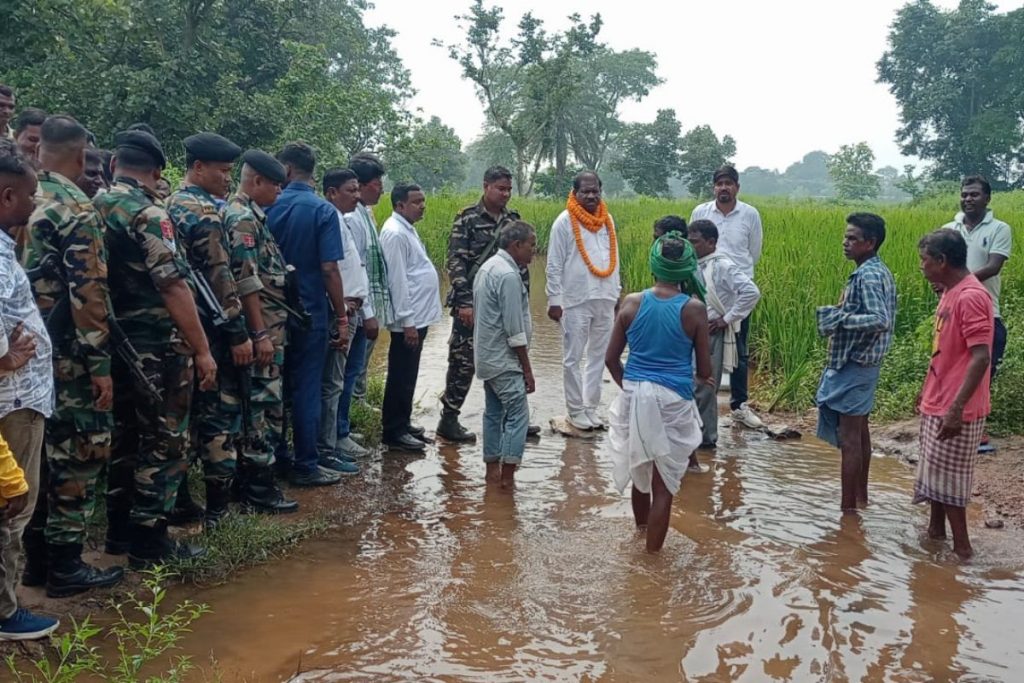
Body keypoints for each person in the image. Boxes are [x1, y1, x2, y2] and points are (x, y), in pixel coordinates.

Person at [94, 129, 215, 567]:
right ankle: (150, 539)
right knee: (164, 439)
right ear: (157, 172)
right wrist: (202, 349)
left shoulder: (96, 205)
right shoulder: (148, 214)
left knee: (126, 437)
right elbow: (173, 284)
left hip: (113, 344)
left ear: (113, 165)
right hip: (157, 348)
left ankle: (118, 534)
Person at [20, 115, 124, 597]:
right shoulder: (76, 210)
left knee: (38, 454)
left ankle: (36, 563)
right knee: (81, 450)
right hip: (70, 355)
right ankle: (66, 566)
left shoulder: (22, 197)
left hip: (25, 353)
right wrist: (101, 367)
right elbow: (89, 293)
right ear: (83, 157)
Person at [605, 232, 712, 553]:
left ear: (655, 265)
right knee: (663, 487)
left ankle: (640, 537)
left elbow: (611, 360)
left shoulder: (632, 303)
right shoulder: (694, 309)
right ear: (687, 269)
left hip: (634, 394)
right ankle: (653, 562)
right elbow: (706, 370)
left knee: (640, 471)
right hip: (673, 399)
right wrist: (698, 380)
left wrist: (633, 388)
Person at [167, 132, 252, 528]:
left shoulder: (169, 204)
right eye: (221, 171)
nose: (227, 180)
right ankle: (219, 511)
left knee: (186, 419)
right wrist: (238, 334)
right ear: (197, 167)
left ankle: (183, 502)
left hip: (180, 332)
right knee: (220, 416)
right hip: (212, 333)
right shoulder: (203, 213)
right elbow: (220, 279)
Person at [0, 143, 60, 640]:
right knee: (13, 506)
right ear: (6, 196)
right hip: (13, 403)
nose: (35, 205)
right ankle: (5, 611)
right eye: (30, 196)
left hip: (19, 399)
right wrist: (9, 359)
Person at [266, 142, 347, 487]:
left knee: (274, 388)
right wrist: (341, 316)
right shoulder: (323, 211)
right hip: (310, 312)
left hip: (269, 314)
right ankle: (306, 463)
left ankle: (276, 458)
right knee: (307, 388)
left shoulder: (266, 205)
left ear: (285, 170)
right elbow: (329, 268)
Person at [221, 149, 297, 514]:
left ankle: (251, 483)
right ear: (256, 182)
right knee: (260, 408)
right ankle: (258, 489)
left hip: (272, 328)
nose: (280, 194)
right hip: (262, 330)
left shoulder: (252, 216)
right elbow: (245, 282)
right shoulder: (241, 220)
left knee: (266, 406)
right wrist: (260, 334)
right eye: (276, 187)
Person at [914, 228, 993, 560]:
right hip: (939, 398)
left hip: (957, 406)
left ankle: (963, 552)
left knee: (951, 484)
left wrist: (956, 408)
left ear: (942, 261)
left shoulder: (971, 296)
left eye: (925, 260)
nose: (921, 266)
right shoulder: (949, 290)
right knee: (934, 477)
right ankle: (935, 535)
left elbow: (981, 356)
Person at [814, 213, 896, 513]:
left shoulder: (868, 275)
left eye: (852, 238)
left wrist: (838, 317)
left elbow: (880, 320)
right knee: (860, 433)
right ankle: (860, 499)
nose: (845, 243)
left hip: (856, 363)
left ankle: (848, 512)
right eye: (845, 237)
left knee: (850, 440)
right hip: (863, 363)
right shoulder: (874, 270)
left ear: (870, 242)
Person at [439, 165, 521, 442]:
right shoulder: (467, 219)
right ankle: (449, 419)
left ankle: (511, 415)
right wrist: (464, 303)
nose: (506, 194)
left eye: (509, 189)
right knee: (463, 362)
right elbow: (456, 263)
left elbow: (520, 264)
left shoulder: (513, 220)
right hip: (472, 303)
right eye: (500, 188)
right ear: (486, 186)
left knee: (506, 360)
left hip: (502, 305)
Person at [546, 171, 621, 431]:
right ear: (574, 193)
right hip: (575, 300)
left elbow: (615, 257)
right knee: (572, 358)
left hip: (605, 297)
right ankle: (575, 410)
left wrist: (617, 293)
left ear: (601, 191)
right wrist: (554, 299)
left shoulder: (607, 219)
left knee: (598, 356)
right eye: (585, 191)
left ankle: (591, 408)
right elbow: (554, 264)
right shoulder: (564, 222)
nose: (591, 195)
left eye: (595, 190)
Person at [690, 165, 764, 429]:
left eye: (729, 183)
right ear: (714, 187)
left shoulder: (749, 214)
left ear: (737, 187)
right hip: (707, 290)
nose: (724, 188)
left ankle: (739, 406)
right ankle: (697, 404)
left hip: (737, 291)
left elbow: (753, 252)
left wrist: (731, 274)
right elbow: (693, 248)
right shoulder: (701, 212)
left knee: (740, 351)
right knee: (701, 347)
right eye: (719, 183)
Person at [942, 175, 1011, 452]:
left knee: (983, 369)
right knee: (949, 366)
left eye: (974, 194)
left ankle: (977, 429)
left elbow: (994, 266)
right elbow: (937, 263)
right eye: (965, 194)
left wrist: (959, 284)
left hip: (986, 311)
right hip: (950, 311)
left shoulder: (998, 228)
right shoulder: (949, 229)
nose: (968, 199)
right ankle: (951, 419)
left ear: (987, 198)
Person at [686, 219, 760, 452]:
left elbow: (751, 292)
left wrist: (726, 318)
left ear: (711, 242)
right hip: (694, 330)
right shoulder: (696, 263)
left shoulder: (722, 265)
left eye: (695, 242)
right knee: (694, 383)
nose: (692, 246)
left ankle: (707, 439)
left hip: (710, 331)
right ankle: (693, 435)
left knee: (706, 386)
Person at [473, 221, 537, 489]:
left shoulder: (488, 267)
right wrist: (527, 368)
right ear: (516, 245)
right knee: (519, 415)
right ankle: (508, 478)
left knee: (494, 413)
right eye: (531, 245)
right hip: (504, 360)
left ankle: (492, 473)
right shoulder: (509, 276)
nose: (534, 251)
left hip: (487, 356)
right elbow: (514, 331)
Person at [379, 183, 441, 452]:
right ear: (399, 205)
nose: (422, 205)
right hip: (409, 319)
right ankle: (393, 430)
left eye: (423, 200)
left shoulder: (406, 228)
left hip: (417, 316)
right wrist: (408, 322)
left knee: (409, 372)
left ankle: (402, 423)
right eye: (416, 202)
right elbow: (397, 280)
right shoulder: (394, 233)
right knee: (400, 374)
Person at [318, 167, 368, 474]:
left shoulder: (342, 219)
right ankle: (329, 443)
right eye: (351, 190)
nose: (357, 196)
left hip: (348, 310)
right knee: (333, 382)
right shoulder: (330, 219)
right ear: (332, 192)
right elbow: (329, 269)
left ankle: (334, 438)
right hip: (341, 312)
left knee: (338, 380)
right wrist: (340, 311)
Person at [346, 152, 390, 410]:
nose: (381, 187)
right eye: (377, 182)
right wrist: (368, 312)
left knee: (362, 359)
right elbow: (356, 267)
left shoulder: (366, 213)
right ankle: (352, 408)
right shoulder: (353, 218)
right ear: (361, 186)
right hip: (361, 306)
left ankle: (358, 402)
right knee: (354, 362)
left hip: (368, 304)